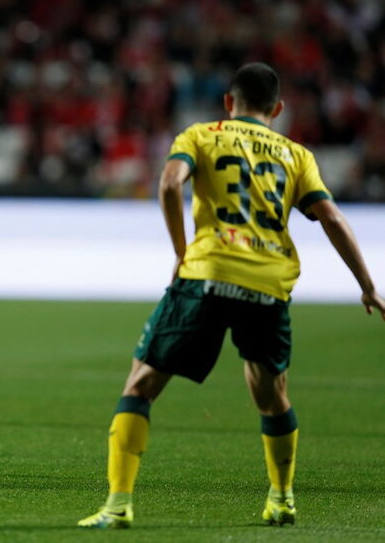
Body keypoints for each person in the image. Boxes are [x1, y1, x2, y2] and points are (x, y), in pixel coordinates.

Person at [78, 62, 385, 529]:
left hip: (207, 273)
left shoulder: (200, 135)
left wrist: (183, 251)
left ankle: (118, 505)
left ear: (228, 102)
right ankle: (282, 498)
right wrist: (367, 285)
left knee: (141, 384)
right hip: (268, 281)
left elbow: (168, 184)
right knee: (270, 393)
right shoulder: (296, 155)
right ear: (277, 109)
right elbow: (332, 218)